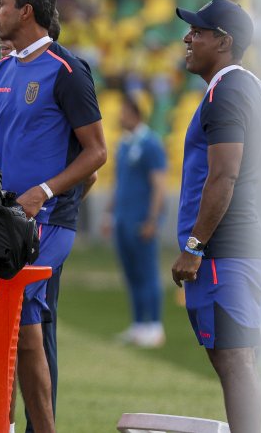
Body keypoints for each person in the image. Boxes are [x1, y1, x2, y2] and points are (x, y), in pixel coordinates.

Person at [0, 0, 106, 433]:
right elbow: (0, 146)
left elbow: (96, 152)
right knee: (25, 328)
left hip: (50, 220)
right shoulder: (4, 69)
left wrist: (47, 191)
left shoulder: (68, 69)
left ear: (26, 12)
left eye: (1, 3)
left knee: (24, 323)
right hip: (6, 220)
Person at [171, 0, 261, 433]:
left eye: (199, 31)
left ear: (224, 42)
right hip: (237, 249)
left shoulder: (228, 90)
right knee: (236, 359)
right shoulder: (244, 87)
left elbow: (225, 176)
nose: (188, 38)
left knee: (235, 359)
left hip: (224, 253)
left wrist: (195, 246)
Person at [103, 93, 168, 348]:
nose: (120, 116)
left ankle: (155, 325)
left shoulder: (150, 143)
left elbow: (159, 184)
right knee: (131, 273)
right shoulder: (124, 144)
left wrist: (153, 218)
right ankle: (139, 324)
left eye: (125, 112)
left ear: (136, 114)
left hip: (142, 218)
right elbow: (118, 183)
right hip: (123, 219)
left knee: (147, 272)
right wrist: (109, 213)